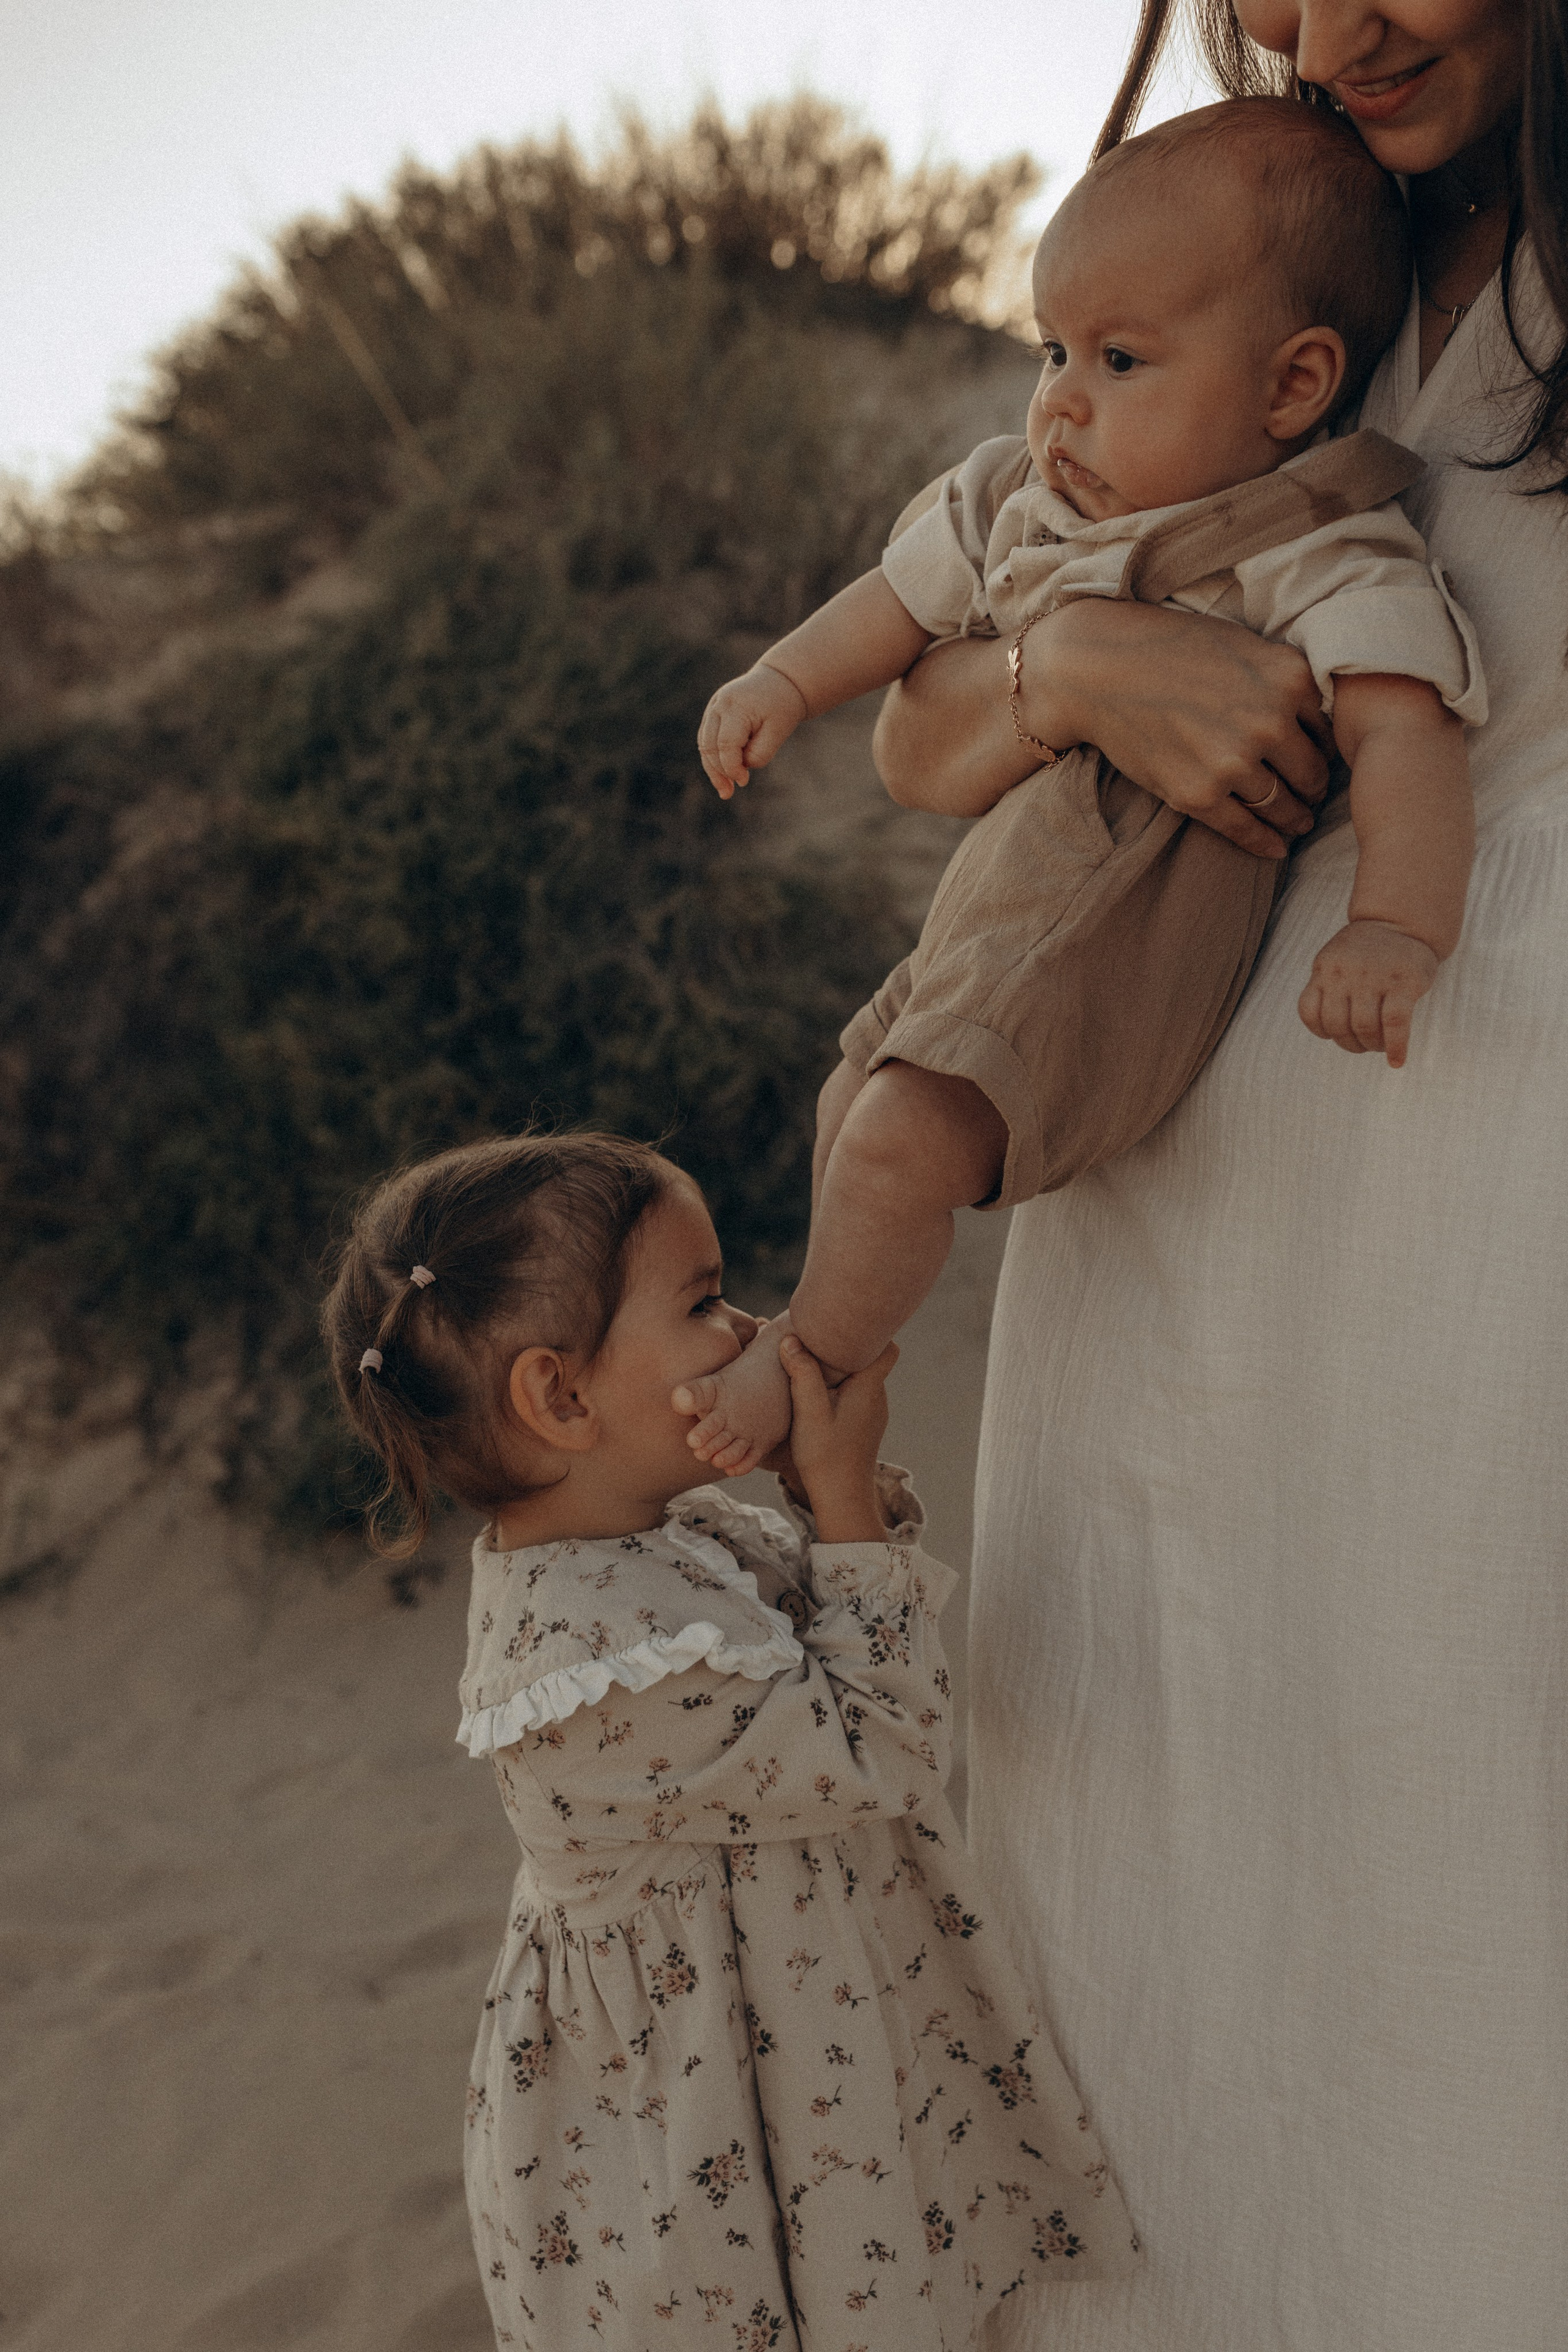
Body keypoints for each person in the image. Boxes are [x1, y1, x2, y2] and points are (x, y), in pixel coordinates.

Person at [871, 4, 1568, 2347]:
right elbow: (921, 726)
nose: (1330, 20)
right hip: (1168, 1235)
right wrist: (1079, 659)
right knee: (1169, 1900)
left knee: (1472, 1903)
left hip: (1486, 1214)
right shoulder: (1250, 244)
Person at [682, 97, 1480, 1477]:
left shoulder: (1309, 542)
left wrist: (1393, 927)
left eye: (1119, 359)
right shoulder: (1022, 499)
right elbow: (892, 604)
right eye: (1051, 349)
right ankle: (833, 1350)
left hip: (1104, 946)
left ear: (1290, 389)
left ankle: (806, 1369)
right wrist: (778, 684)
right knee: (845, 1104)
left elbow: (1403, 731)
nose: (1060, 398)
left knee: (888, 1146)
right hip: (986, 930)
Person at [320, 1132, 1137, 2352]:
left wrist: (816, 1490)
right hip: (696, 2115)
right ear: (559, 1396)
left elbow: (820, 1632)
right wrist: (845, 1497)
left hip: (795, 2028)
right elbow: (880, 1744)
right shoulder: (586, 1675)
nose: (749, 1326)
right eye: (703, 1303)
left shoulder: (672, 1534)